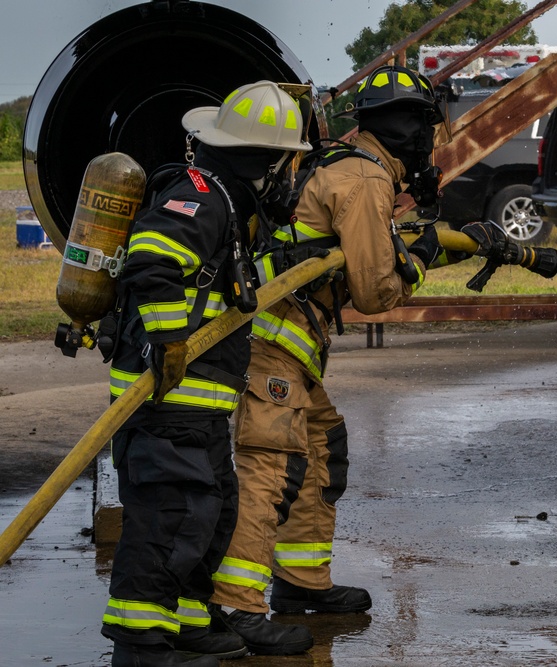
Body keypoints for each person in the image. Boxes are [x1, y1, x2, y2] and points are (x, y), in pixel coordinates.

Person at [208, 64, 457, 656]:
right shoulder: (367, 180)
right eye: (427, 128)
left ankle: (301, 583)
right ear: (412, 132)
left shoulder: (341, 164)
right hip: (272, 345)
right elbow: (373, 292)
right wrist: (420, 260)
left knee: (320, 447)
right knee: (271, 463)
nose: (430, 143)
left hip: (289, 346)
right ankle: (234, 607)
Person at [101, 81, 312, 667]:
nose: (286, 176)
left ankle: (190, 619)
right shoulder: (202, 195)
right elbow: (153, 259)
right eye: (283, 162)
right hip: (168, 400)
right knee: (170, 519)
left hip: (202, 403)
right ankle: (140, 643)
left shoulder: (230, 202)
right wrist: (169, 342)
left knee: (210, 511)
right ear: (264, 161)